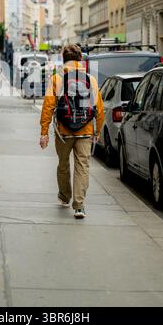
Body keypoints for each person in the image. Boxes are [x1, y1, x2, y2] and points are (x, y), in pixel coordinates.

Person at [40, 44, 104, 219]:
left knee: (63, 164)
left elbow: (48, 106)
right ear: (80, 59)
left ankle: (64, 196)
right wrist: (97, 130)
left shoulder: (57, 78)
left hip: (63, 131)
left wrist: (44, 131)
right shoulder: (90, 79)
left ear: (63, 58)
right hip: (85, 130)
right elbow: (99, 107)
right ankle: (79, 205)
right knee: (82, 166)